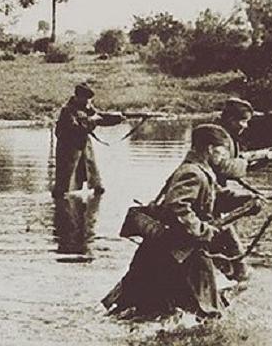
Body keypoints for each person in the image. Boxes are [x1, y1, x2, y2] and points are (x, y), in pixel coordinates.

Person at [102, 124, 259, 319]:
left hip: (174, 251)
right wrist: (204, 230)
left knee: (153, 306)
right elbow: (177, 207)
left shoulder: (200, 171)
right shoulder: (192, 172)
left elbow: (214, 198)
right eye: (222, 151)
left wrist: (246, 200)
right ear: (210, 149)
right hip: (178, 251)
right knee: (202, 311)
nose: (224, 157)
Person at [210, 97, 257, 283]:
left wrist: (259, 161)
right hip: (209, 201)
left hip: (214, 198)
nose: (245, 126)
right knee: (234, 251)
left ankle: (228, 275)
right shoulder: (218, 136)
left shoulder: (224, 135)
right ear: (230, 119)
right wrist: (244, 162)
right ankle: (237, 277)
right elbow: (222, 167)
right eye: (243, 121)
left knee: (226, 246)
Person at [52, 83, 123, 197]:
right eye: (85, 98)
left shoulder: (86, 108)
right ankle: (60, 203)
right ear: (77, 97)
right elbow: (75, 127)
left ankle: (96, 194)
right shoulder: (67, 110)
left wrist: (117, 118)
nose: (87, 101)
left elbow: (100, 118)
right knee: (63, 182)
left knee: (94, 176)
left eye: (88, 99)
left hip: (83, 144)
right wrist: (92, 120)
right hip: (68, 147)